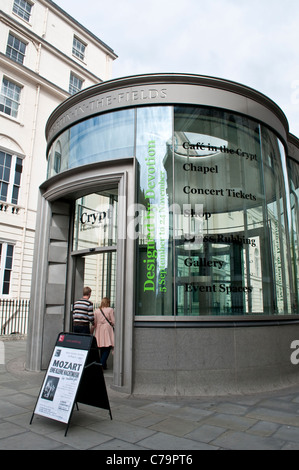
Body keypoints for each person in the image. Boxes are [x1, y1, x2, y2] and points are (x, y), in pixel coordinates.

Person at [93, 297, 115, 370]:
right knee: (107, 347)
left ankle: (103, 365)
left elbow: (94, 322)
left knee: (102, 346)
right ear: (108, 302)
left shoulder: (96, 310)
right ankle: (101, 364)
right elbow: (113, 321)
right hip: (107, 329)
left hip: (99, 329)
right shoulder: (110, 310)